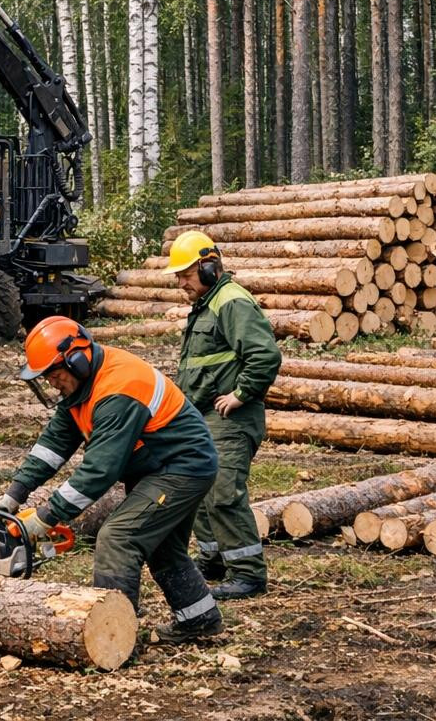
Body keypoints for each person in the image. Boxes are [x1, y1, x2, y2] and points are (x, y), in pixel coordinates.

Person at [0, 316, 224, 643]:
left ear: (76, 360)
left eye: (55, 375)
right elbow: (53, 444)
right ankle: (199, 619)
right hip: (156, 468)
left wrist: (47, 517)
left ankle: (115, 637)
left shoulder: (119, 388)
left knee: (118, 538)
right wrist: (13, 496)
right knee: (162, 547)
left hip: (180, 468)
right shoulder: (82, 388)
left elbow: (100, 470)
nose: (53, 384)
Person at [163, 230, 281, 600]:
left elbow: (265, 356)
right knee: (199, 488)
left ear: (209, 266)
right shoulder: (206, 303)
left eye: (185, 274)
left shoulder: (230, 301)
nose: (181, 282)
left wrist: (241, 394)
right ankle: (212, 558)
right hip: (200, 415)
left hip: (229, 420)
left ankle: (248, 573)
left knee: (224, 494)